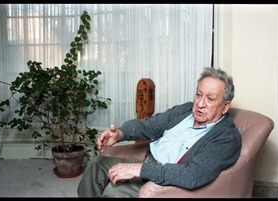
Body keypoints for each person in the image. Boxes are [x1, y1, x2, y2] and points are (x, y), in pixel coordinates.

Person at [77, 67, 242, 197]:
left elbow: (193, 175)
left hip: (163, 181)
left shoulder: (226, 137)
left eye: (210, 99)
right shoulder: (185, 110)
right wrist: (120, 133)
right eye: (199, 95)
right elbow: (151, 125)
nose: (200, 104)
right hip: (147, 163)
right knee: (96, 164)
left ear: (225, 106)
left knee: (115, 192)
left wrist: (140, 170)